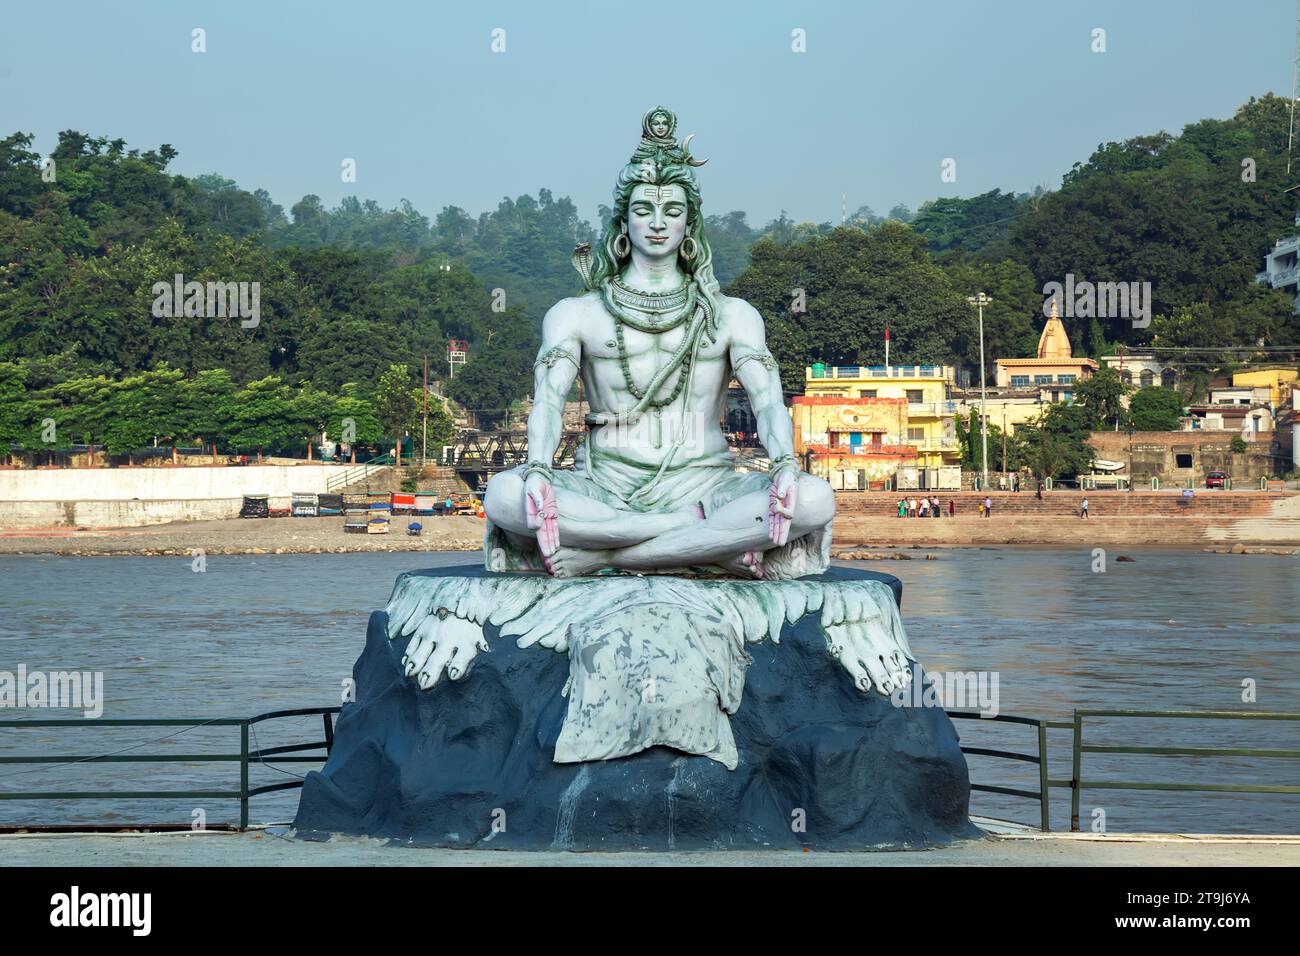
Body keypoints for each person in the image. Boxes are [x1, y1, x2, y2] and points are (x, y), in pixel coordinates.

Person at [482, 107, 835, 579]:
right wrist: (540, 470)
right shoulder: (577, 314)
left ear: (690, 224)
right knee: (504, 496)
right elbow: (547, 400)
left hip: (706, 484)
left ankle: (611, 554)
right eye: (643, 210)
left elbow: (769, 402)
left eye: (672, 211)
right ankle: (692, 540)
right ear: (623, 222)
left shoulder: (731, 314)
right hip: (604, 487)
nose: (657, 223)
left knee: (813, 499)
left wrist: (785, 463)